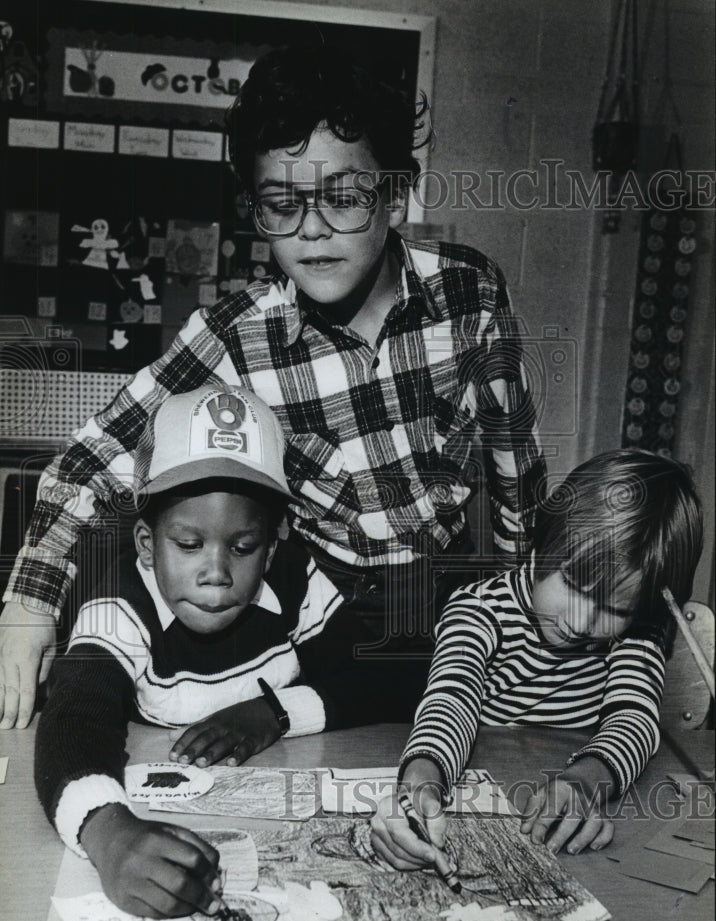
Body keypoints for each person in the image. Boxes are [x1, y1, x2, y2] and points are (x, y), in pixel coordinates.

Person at [1, 43, 545, 727]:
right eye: (281, 203)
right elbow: (89, 460)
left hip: (454, 599)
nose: (312, 229)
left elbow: (514, 458)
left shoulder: (471, 292)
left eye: (344, 197)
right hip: (325, 620)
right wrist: (28, 603)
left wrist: (522, 599)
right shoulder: (236, 333)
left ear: (397, 195)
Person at [34, 384, 427, 919]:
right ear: (147, 544)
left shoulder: (292, 578)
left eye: (242, 547)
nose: (216, 573)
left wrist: (275, 713)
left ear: (271, 546)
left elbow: (384, 679)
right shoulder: (117, 604)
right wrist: (109, 834)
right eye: (188, 545)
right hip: (156, 817)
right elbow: (74, 719)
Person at [370, 449, 703, 870]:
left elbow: (634, 719)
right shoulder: (477, 610)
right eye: (575, 583)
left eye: (615, 609)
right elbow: (449, 702)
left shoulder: (638, 630)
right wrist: (420, 788)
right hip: (477, 823)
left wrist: (585, 782)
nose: (582, 622)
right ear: (544, 538)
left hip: (575, 839)